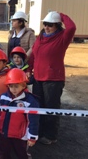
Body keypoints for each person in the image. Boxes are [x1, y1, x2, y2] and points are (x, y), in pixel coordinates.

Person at [27, 11, 76, 145]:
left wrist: (61, 14)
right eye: (45, 24)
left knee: (51, 107)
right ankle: (39, 131)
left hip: (53, 79)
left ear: (58, 25)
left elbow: (71, 27)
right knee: (38, 105)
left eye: (51, 25)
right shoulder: (40, 37)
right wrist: (29, 69)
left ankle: (50, 135)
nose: (47, 27)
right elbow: (34, 55)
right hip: (38, 77)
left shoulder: (62, 38)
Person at [0, 68, 39, 159]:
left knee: (21, 153)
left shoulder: (30, 101)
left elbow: (33, 120)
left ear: (24, 85)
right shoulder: (3, 97)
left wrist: (32, 136)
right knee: (3, 152)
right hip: (4, 132)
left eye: (16, 86)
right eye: (11, 86)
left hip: (20, 136)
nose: (13, 89)